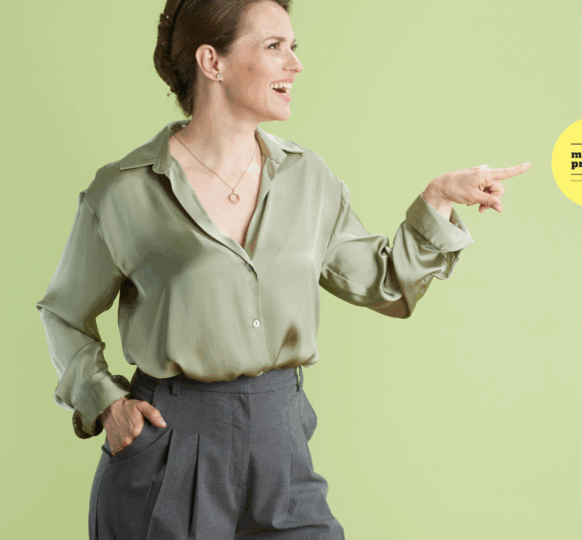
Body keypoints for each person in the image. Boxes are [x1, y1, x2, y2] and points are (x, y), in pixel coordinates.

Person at [34, 0, 531, 538]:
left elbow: (386, 288)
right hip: (168, 442)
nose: (295, 64)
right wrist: (107, 406)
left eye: (294, 47)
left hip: (281, 438)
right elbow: (63, 313)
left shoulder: (308, 179)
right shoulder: (125, 190)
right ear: (212, 62)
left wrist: (436, 202)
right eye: (275, 47)